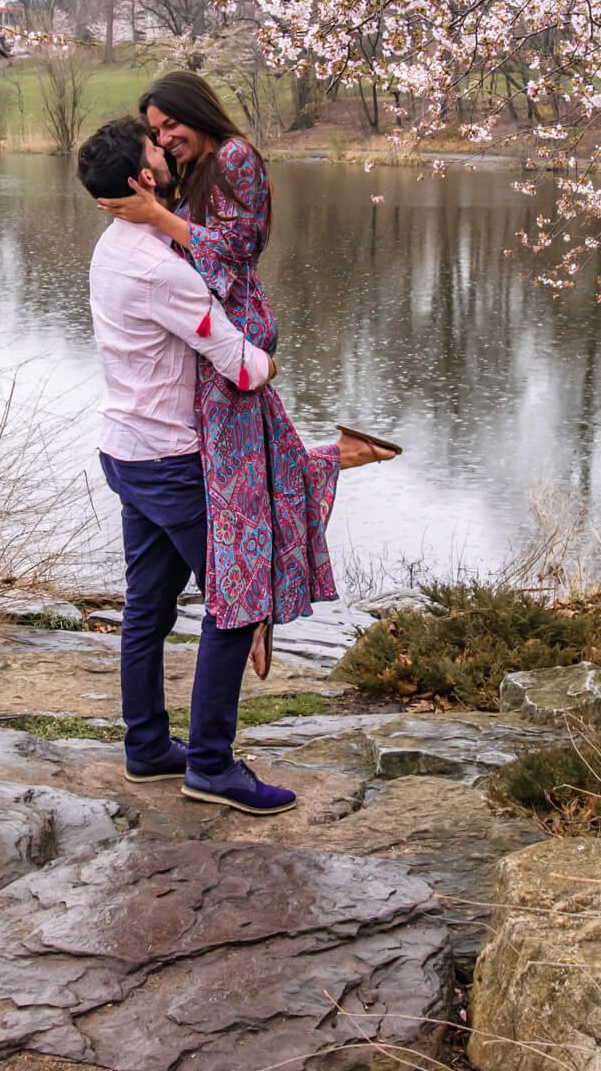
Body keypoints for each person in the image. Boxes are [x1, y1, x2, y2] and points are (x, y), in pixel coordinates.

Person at [95, 70, 399, 673]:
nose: (167, 137)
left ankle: (251, 612)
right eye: (156, 132)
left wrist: (156, 216)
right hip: (208, 343)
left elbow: (233, 251)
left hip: (231, 339)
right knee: (255, 480)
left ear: (197, 112)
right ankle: (338, 462)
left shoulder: (236, 157)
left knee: (250, 488)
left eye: (171, 124)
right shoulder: (188, 172)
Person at [77, 114, 299, 816]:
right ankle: (209, 764)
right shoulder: (156, 270)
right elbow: (239, 365)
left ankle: (146, 748)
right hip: (172, 461)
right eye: (156, 148)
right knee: (235, 606)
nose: (168, 149)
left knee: (147, 606)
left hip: (126, 449)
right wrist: (269, 357)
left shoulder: (115, 246)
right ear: (143, 180)